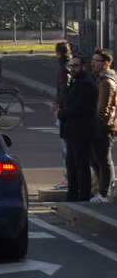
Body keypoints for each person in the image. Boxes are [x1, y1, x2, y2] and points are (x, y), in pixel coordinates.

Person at [60, 53, 101, 203]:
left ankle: (83, 198)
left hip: (81, 131)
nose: (72, 68)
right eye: (70, 66)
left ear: (84, 67)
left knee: (82, 166)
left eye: (76, 65)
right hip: (73, 131)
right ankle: (71, 198)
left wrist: (60, 113)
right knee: (71, 167)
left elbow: (79, 108)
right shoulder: (77, 82)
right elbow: (71, 104)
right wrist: (60, 108)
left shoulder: (86, 83)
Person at [93, 48, 117, 203]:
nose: (93, 63)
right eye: (93, 60)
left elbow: (103, 109)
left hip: (104, 127)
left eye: (96, 61)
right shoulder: (103, 79)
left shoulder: (106, 81)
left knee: (103, 160)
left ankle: (104, 193)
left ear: (106, 63)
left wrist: (95, 124)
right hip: (103, 126)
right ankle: (104, 191)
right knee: (96, 159)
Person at [54, 41, 73, 190]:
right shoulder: (72, 65)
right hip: (70, 109)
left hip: (65, 110)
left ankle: (69, 178)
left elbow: (64, 88)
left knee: (65, 146)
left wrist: (57, 104)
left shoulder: (63, 68)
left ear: (57, 53)